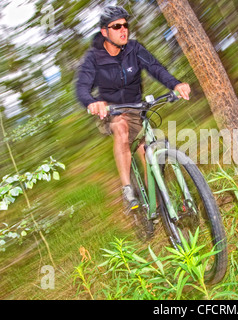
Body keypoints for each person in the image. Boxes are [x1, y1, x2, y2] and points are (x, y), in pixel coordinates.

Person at [75, 6, 191, 211]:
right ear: (105, 32)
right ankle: (127, 188)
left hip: (137, 108)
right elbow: (82, 88)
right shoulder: (94, 58)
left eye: (126, 25)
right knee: (120, 127)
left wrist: (176, 84)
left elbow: (156, 68)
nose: (123, 30)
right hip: (111, 111)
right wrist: (92, 102)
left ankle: (159, 206)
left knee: (147, 153)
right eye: (117, 26)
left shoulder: (135, 49)